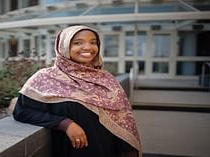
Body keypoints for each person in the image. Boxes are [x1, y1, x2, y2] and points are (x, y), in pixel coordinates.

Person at [13, 25, 142, 157]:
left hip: (107, 150)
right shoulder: (45, 78)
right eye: (77, 43)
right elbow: (23, 111)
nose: (88, 47)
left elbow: (122, 119)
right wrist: (64, 123)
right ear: (63, 47)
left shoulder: (106, 79)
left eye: (93, 42)